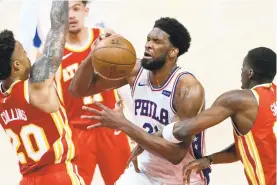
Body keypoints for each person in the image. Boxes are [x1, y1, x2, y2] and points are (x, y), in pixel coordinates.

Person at [69, 17, 211, 185]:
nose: (148, 45)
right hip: (144, 172)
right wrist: (93, 54)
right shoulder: (134, 71)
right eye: (148, 39)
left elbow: (176, 154)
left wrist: (123, 124)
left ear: (173, 51)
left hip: (184, 178)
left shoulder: (188, 90)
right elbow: (78, 90)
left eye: (157, 41)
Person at [33, 1, 131, 184]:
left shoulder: (105, 39)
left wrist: (131, 121)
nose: (70, 15)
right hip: (77, 132)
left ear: (86, 11)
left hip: (110, 126)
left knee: (124, 181)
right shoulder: (52, 52)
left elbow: (127, 81)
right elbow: (39, 96)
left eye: (76, 9)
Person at [161, 47, 276, 185]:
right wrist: (209, 159)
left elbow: (184, 130)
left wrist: (149, 137)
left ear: (249, 73)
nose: (241, 72)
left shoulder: (238, 100)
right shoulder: (273, 96)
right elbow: (247, 147)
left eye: (242, 68)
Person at [0, 1, 85, 185]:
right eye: (23, 51)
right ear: (16, 65)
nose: (28, 54)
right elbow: (58, 30)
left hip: (27, 180)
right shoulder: (35, 85)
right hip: (58, 175)